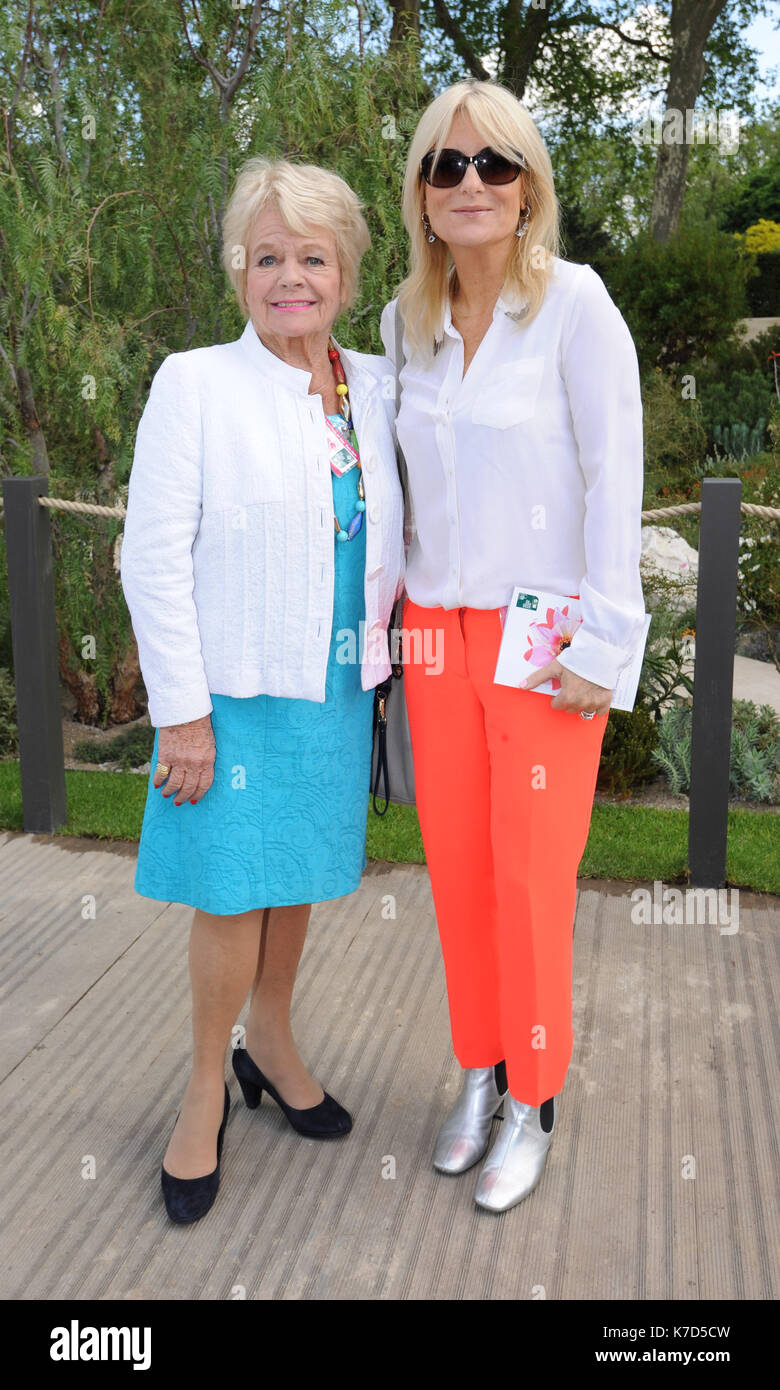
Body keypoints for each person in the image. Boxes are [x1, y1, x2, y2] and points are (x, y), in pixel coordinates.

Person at [120, 157, 405, 1223]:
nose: (292, 276)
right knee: (232, 887)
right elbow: (151, 558)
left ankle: (273, 1042)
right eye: (268, 255)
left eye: (314, 256)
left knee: (293, 878)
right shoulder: (195, 383)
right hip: (231, 693)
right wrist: (181, 711)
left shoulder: (373, 382)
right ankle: (205, 1088)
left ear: (348, 271)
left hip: (332, 685)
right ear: (239, 270)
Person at [380, 79, 645, 1212]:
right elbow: (396, 497)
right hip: (436, 638)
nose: (471, 182)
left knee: (532, 880)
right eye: (447, 166)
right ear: (424, 197)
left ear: (528, 183)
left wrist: (608, 638)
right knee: (460, 877)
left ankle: (536, 1098)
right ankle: (482, 1071)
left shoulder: (578, 306)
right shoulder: (406, 321)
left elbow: (612, 475)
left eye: (494, 163)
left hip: (543, 641)